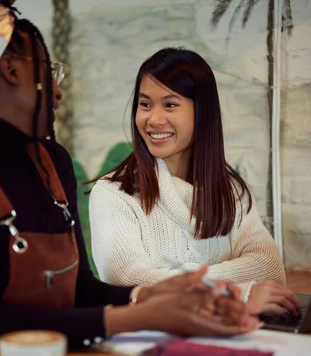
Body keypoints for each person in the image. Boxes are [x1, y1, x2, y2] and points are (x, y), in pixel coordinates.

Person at [0, 0, 259, 353]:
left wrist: (151, 294)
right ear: (11, 71)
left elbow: (80, 289)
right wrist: (140, 316)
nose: (57, 91)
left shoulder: (52, 161)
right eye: (47, 70)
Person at [89, 47, 300, 316]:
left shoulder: (230, 191)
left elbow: (268, 269)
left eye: (170, 104)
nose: (153, 119)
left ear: (202, 112)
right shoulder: (113, 194)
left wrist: (171, 279)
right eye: (145, 104)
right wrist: (238, 292)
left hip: (231, 337)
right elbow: (128, 282)